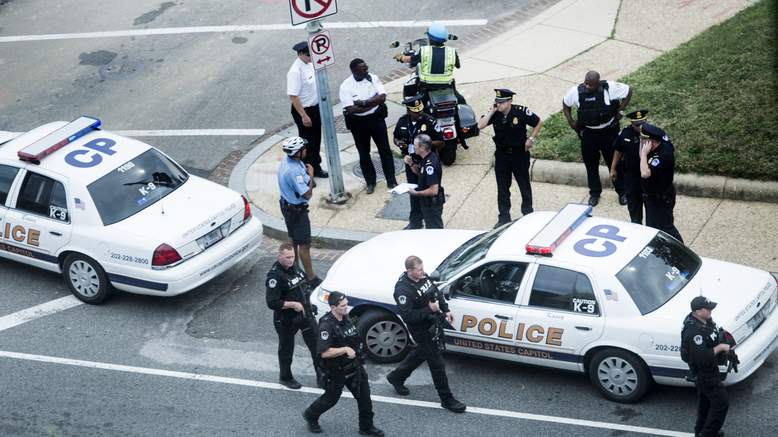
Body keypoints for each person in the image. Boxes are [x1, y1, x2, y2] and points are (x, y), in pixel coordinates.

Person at [386, 256, 466, 413]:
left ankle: (396, 377)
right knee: (437, 364)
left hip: (432, 323)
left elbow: (436, 293)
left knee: (421, 353)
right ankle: (447, 399)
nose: (423, 272)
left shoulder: (423, 277)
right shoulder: (403, 290)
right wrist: (430, 309)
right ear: (409, 271)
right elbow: (408, 316)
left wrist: (445, 309)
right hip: (419, 330)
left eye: (423, 268)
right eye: (419, 270)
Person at [302, 292, 384, 436]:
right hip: (336, 370)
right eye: (343, 306)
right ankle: (310, 415)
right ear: (333, 307)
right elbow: (324, 352)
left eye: (346, 304)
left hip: (354, 367)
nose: (346, 307)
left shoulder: (345, 318)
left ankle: (366, 427)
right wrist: (345, 349)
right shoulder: (326, 326)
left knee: (364, 398)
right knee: (331, 399)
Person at [562, 70, 632, 206]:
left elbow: (629, 91)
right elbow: (566, 104)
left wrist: (621, 110)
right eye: (586, 83)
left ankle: (622, 192)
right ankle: (594, 193)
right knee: (591, 165)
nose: (587, 87)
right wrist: (571, 121)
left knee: (614, 163)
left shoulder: (609, 87)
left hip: (608, 132)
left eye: (591, 85)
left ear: (598, 83)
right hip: (589, 134)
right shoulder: (576, 91)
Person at [477, 89, 542, 228]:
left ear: (510, 101)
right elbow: (480, 126)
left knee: (523, 184)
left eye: (501, 102)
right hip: (502, 155)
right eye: (497, 102)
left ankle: (528, 213)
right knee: (502, 187)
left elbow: (538, 122)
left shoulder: (520, 111)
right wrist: (491, 111)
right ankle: (504, 217)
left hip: (519, 154)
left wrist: (531, 138)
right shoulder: (495, 114)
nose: (498, 104)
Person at [339, 58, 399, 194]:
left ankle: (391, 180)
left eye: (366, 67)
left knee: (385, 150)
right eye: (363, 69)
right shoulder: (346, 86)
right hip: (358, 124)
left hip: (376, 119)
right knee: (364, 154)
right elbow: (351, 109)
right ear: (354, 71)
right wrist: (373, 103)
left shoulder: (373, 78)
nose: (367, 70)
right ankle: (370, 182)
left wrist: (364, 103)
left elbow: (382, 97)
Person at [266, 242, 320, 390]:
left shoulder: (294, 267)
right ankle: (285, 377)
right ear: (279, 256)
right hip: (286, 319)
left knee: (316, 344)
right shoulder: (275, 276)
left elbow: (303, 284)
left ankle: (321, 375)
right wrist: (292, 304)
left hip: (304, 314)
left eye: (293, 257)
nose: (291, 260)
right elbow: (272, 302)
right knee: (286, 349)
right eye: (287, 257)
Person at [681, 296, 730, 437]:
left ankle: (700, 431)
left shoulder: (702, 320)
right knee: (721, 404)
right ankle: (709, 434)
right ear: (698, 311)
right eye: (707, 309)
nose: (710, 311)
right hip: (705, 373)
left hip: (708, 370)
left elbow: (712, 334)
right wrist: (720, 347)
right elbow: (703, 358)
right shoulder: (693, 332)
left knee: (706, 404)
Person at [393, 95, 443, 230]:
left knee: (429, 193)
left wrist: (424, 144)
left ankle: (433, 224)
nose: (419, 113)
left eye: (420, 110)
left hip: (426, 163)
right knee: (413, 193)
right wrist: (400, 143)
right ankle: (415, 222)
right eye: (415, 111)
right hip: (411, 163)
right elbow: (395, 137)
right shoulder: (403, 121)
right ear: (409, 111)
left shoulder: (430, 121)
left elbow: (441, 142)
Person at [277, 136, 322, 286]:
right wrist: (311, 174)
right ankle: (310, 278)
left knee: (293, 239)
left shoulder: (288, 161)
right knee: (304, 244)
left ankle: (294, 270)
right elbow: (307, 193)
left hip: (287, 206)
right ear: (297, 152)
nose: (306, 150)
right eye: (303, 149)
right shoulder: (294, 171)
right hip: (297, 211)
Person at [287, 41, 327, 178]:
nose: (311, 57)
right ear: (300, 54)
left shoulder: (309, 64)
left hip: (315, 108)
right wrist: (303, 116)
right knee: (307, 144)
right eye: (308, 55)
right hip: (304, 110)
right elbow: (293, 96)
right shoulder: (295, 71)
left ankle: (316, 167)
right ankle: (306, 173)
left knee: (316, 140)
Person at [639, 123, 683, 242]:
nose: (641, 141)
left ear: (652, 142)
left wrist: (643, 154)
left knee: (666, 227)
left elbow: (645, 173)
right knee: (652, 227)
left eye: (644, 139)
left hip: (661, 198)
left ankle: (682, 251)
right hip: (652, 196)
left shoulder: (662, 155)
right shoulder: (662, 144)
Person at [611, 109, 649, 224]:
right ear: (632, 124)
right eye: (637, 125)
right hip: (632, 177)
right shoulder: (625, 133)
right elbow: (618, 150)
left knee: (652, 208)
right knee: (634, 208)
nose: (640, 127)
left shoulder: (652, 133)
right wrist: (613, 168)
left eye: (643, 123)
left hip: (648, 177)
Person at [403, 134, 445, 229]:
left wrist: (416, 193)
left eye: (415, 145)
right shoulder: (426, 159)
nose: (413, 147)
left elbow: (434, 190)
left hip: (432, 205)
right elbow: (420, 173)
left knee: (434, 231)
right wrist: (411, 163)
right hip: (427, 203)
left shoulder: (430, 165)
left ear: (422, 148)